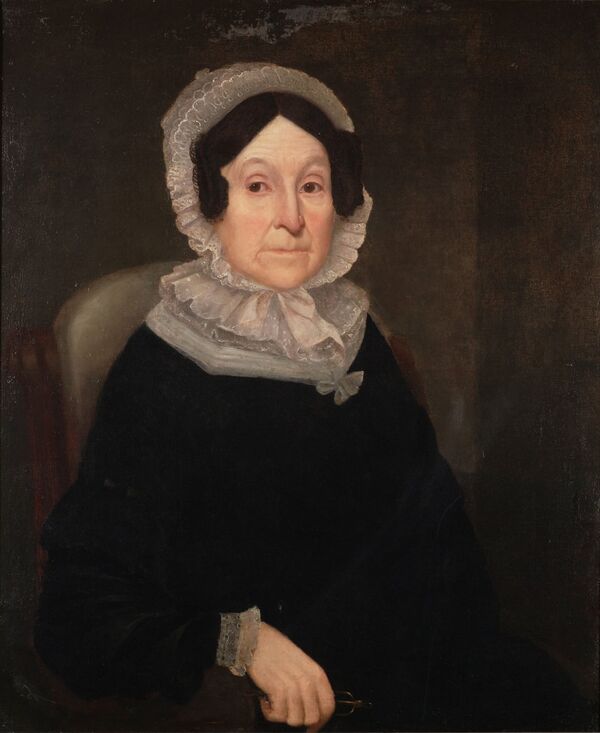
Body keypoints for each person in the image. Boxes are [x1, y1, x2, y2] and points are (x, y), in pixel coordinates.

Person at [34, 64, 584, 732]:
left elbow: (440, 545)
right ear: (208, 203)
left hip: (416, 681)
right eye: (258, 185)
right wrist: (242, 643)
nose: (291, 219)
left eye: (313, 186)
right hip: (269, 707)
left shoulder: (353, 337)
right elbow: (81, 612)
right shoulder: (161, 367)